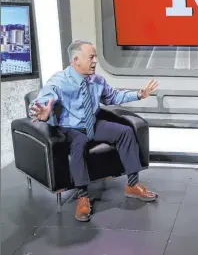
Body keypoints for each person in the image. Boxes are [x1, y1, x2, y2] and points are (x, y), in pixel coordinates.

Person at [29, 40, 159, 222]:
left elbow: (112, 96)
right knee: (79, 142)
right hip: (71, 127)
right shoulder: (59, 81)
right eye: (91, 57)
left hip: (93, 124)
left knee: (125, 131)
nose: (95, 61)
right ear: (76, 60)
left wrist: (138, 94)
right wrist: (43, 111)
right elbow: (40, 102)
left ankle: (132, 185)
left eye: (95, 57)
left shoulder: (97, 80)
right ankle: (82, 197)